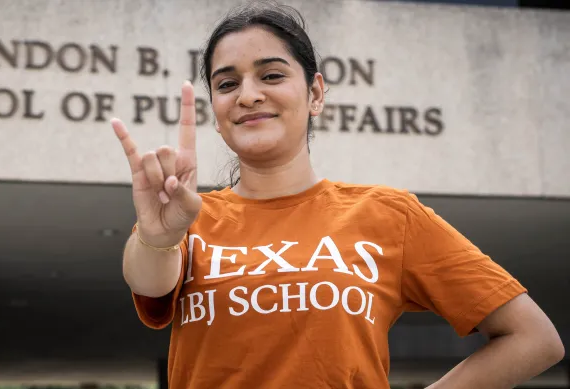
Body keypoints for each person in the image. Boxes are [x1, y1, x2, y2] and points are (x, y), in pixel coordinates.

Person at [110, 2, 565, 388]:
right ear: (216, 112)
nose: (248, 95)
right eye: (227, 84)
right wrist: (160, 233)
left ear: (315, 93)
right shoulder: (188, 216)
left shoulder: (389, 214)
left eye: (271, 75)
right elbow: (149, 281)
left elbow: (533, 338)